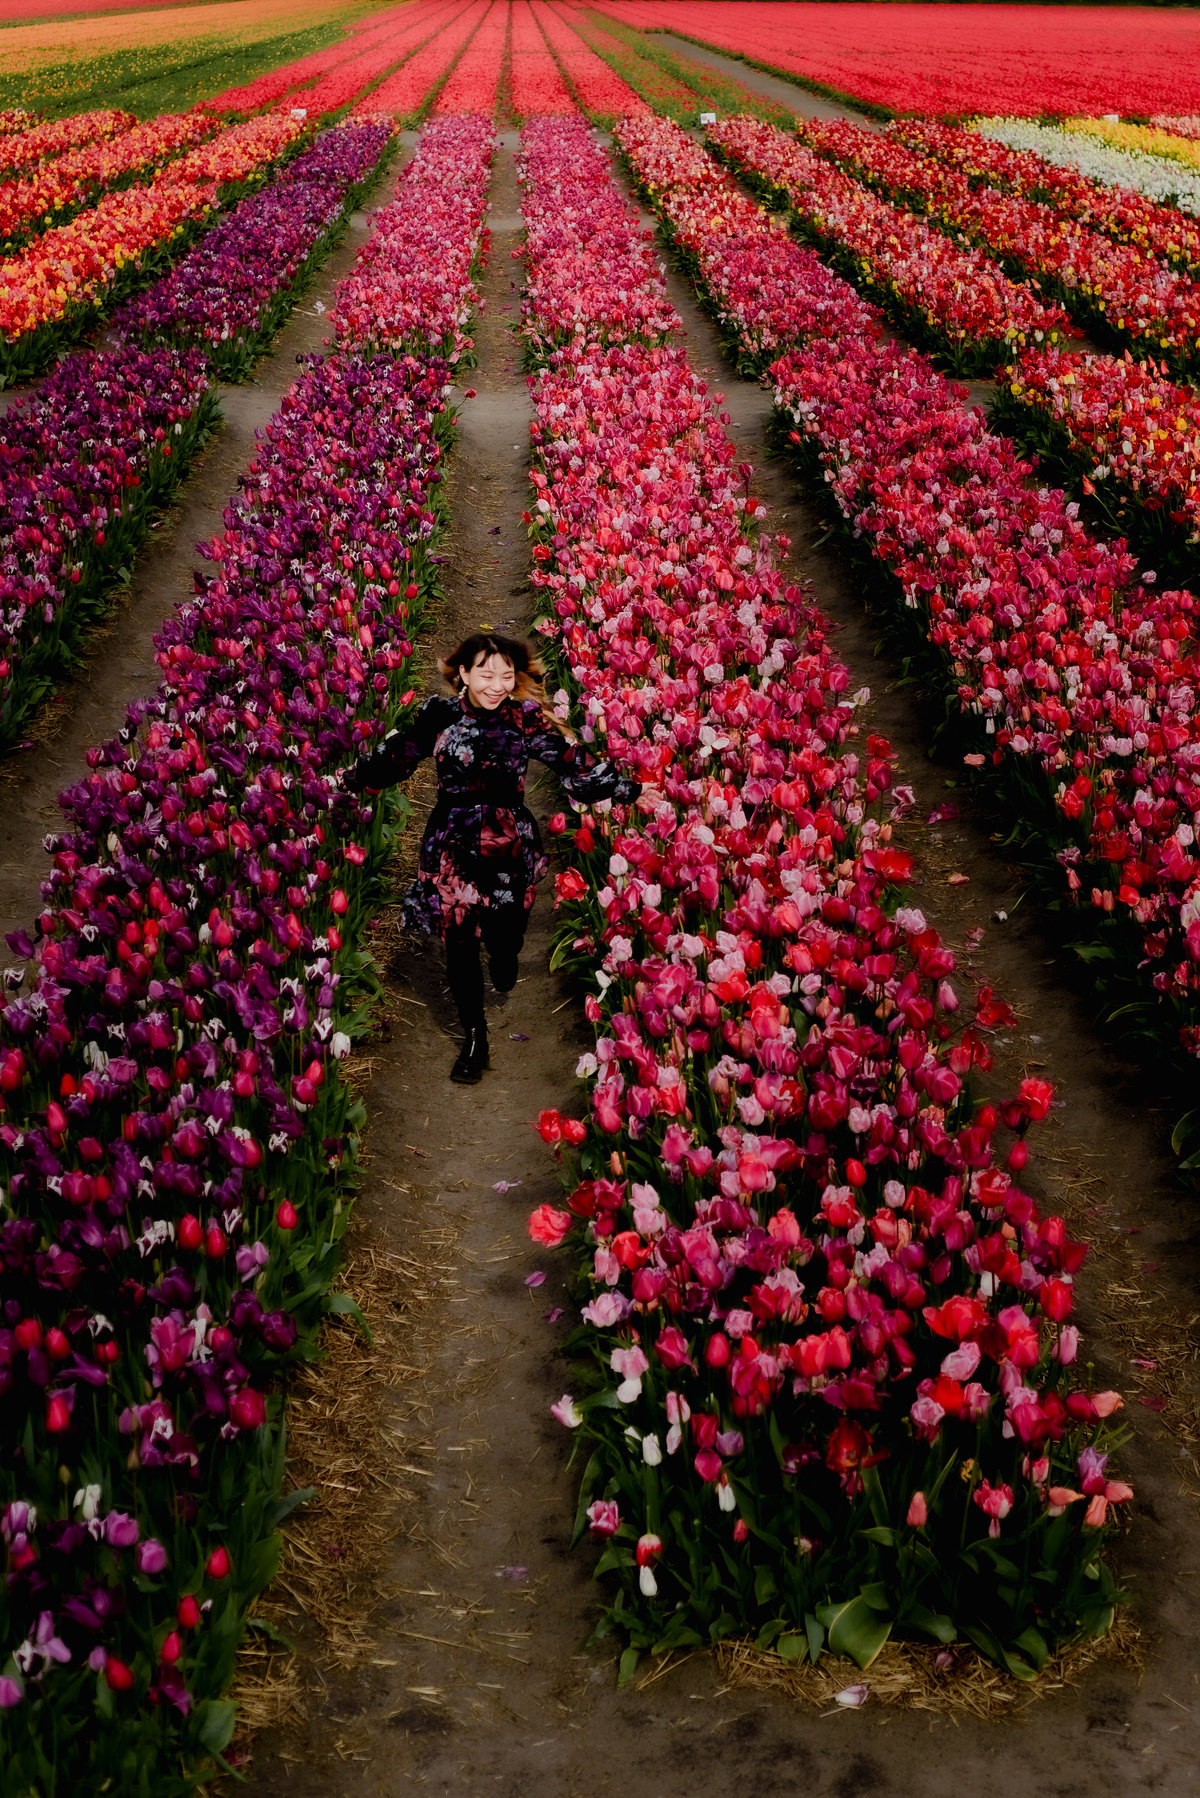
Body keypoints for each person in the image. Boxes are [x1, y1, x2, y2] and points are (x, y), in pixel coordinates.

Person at [343, 631, 650, 1085]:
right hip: (452, 843)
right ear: (462, 674)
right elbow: (400, 755)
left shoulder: (525, 719)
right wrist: (351, 779)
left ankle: (506, 954)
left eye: (506, 675)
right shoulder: (439, 715)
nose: (496, 684)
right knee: (459, 938)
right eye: (485, 673)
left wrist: (633, 790)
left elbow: (572, 764)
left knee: (506, 934)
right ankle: (474, 1037)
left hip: (509, 843)